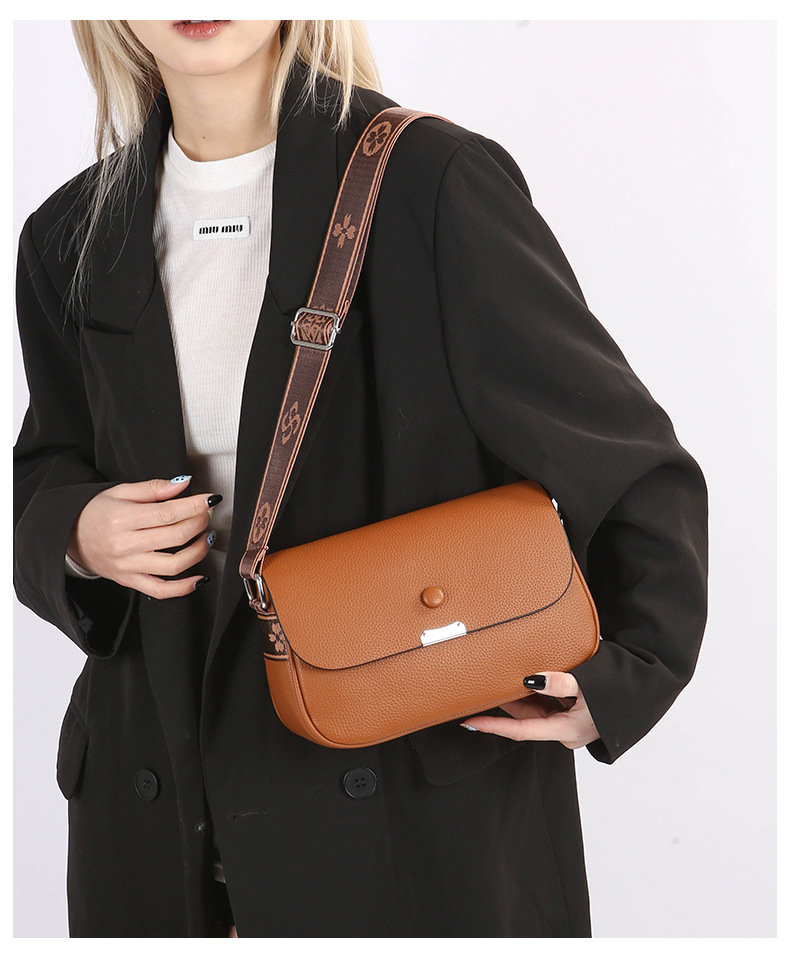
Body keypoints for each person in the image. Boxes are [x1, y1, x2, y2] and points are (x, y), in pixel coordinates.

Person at [13, 20, 708, 938]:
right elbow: (48, 463)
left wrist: (625, 675)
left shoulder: (431, 182)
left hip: (398, 815)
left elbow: (624, 455)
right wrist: (76, 533)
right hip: (154, 821)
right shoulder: (70, 232)